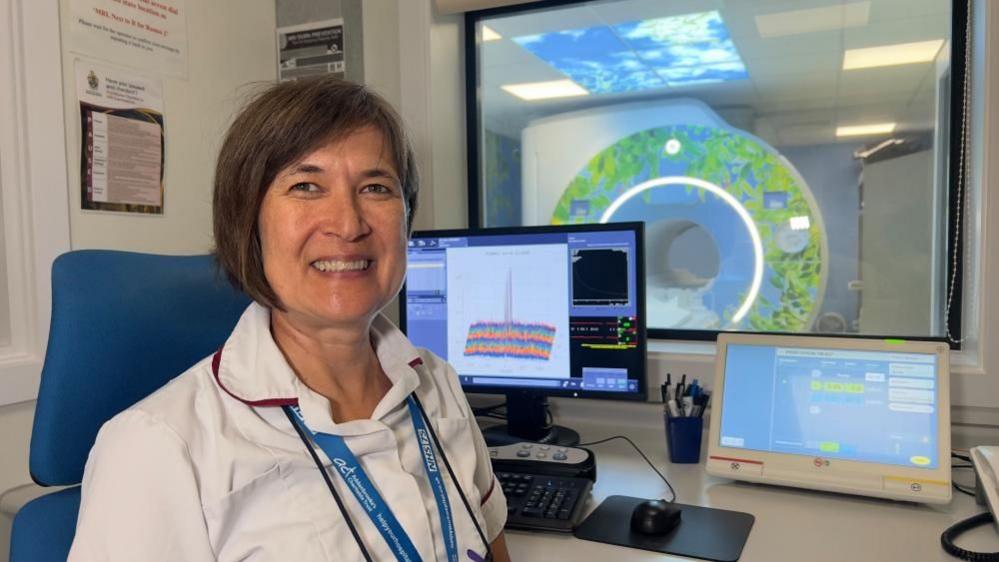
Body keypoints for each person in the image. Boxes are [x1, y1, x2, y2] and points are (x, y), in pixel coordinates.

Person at [68, 77, 511, 562]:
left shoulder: (437, 384)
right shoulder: (155, 448)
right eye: (306, 186)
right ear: (248, 222)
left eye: (376, 187)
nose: (348, 224)